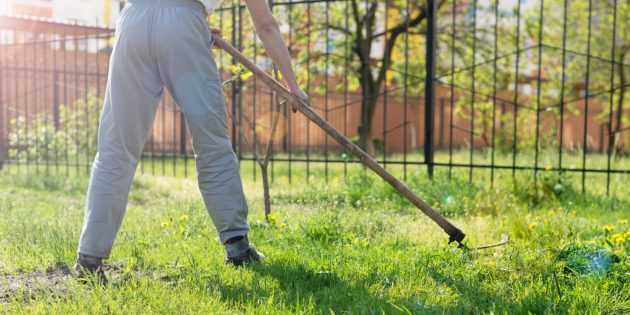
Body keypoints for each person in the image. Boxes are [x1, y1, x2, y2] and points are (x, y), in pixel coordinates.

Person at [74, 0, 307, 283]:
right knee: (212, 144)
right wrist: (292, 86)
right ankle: (238, 247)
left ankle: (89, 258)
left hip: (133, 19)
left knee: (115, 148)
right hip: (184, 22)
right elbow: (266, 24)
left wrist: (188, 23)